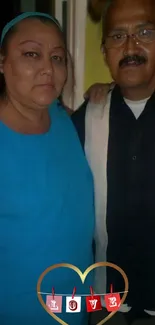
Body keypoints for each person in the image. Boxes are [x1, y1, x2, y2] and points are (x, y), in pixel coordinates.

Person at [0, 12, 95, 325]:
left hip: (76, 307)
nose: (48, 68)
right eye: (31, 54)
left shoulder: (65, 120)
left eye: (57, 57)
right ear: (2, 63)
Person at [72, 0, 155, 324]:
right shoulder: (87, 118)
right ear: (105, 51)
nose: (131, 46)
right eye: (117, 37)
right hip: (106, 299)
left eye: (145, 32)